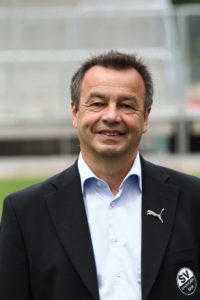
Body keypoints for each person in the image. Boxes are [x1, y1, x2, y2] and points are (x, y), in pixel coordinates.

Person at [0, 51, 200, 300]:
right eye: (97, 103)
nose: (111, 116)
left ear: (146, 117)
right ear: (75, 113)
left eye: (126, 105)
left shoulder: (193, 199)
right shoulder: (24, 212)